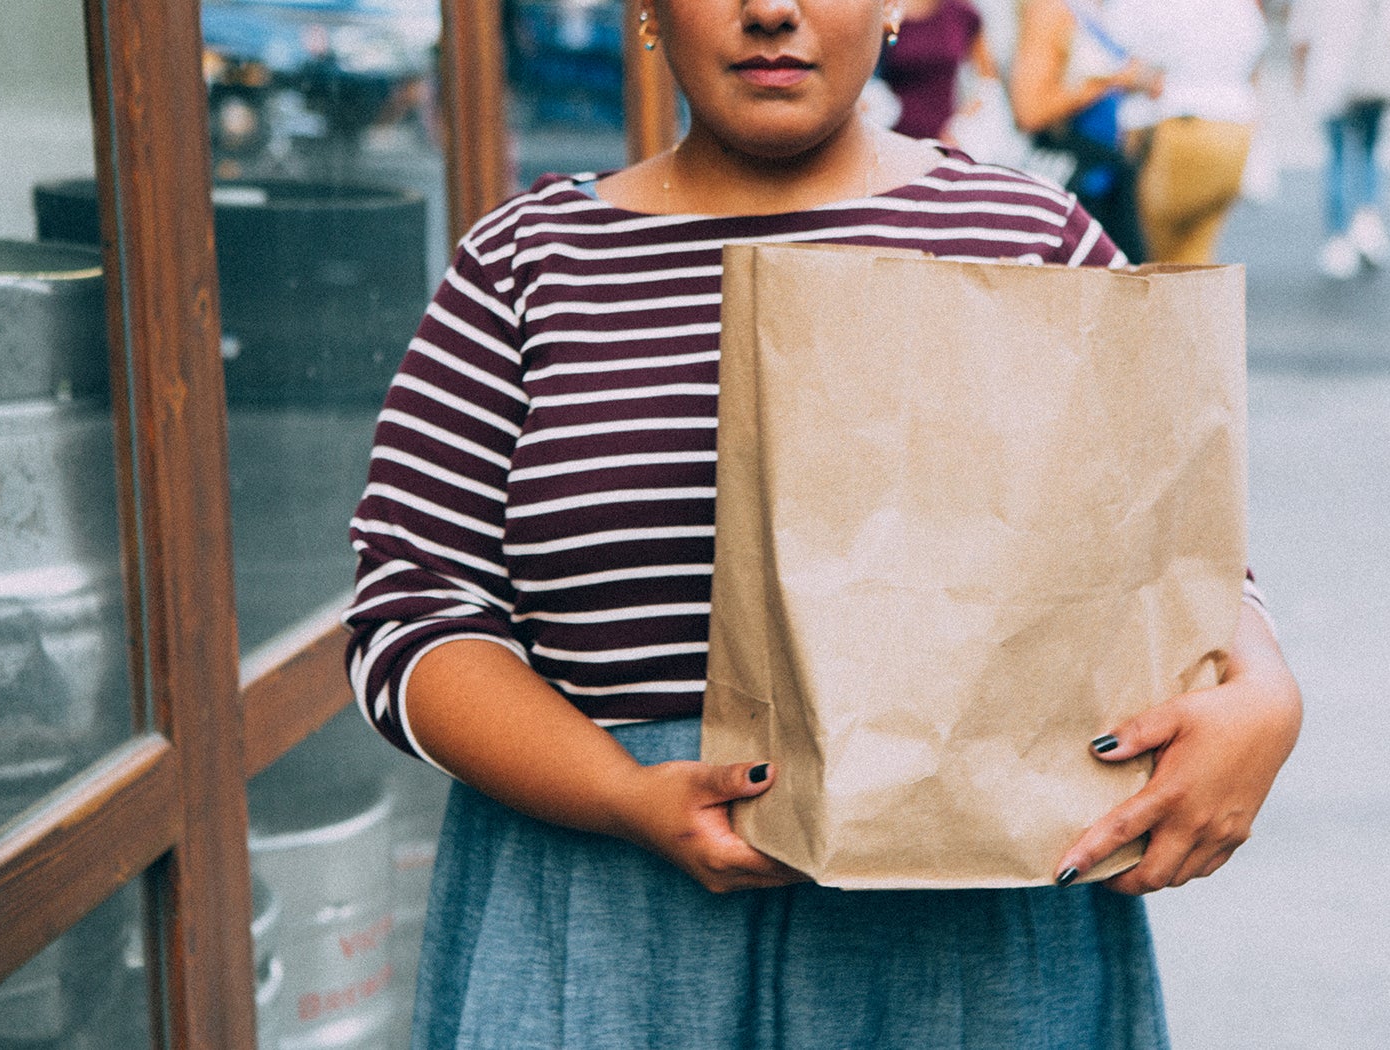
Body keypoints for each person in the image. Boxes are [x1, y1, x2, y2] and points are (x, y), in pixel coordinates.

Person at [343, 1, 1304, 1045]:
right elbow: (413, 614)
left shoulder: (1028, 242)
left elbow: (1175, 556)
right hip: (607, 924)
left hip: (967, 951)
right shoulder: (529, 263)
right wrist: (622, 795)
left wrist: (1261, 694)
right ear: (646, 10)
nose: (770, 10)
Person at [1105, 0, 1268, 264]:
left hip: (1176, 127)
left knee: (1158, 261)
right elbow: (1254, 50)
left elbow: (1114, 52)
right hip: (1234, 129)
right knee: (1197, 255)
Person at [1009, 0, 1155, 261]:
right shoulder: (1050, 10)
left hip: (1110, 180)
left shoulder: (1099, 13)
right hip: (1076, 183)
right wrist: (1112, 80)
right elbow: (1029, 111)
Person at [1289, 0, 1390, 279]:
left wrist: (1299, 75)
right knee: (1368, 150)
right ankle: (1367, 221)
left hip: (1327, 76)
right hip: (1370, 72)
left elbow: (1300, 35)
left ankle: (1339, 237)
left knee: (1337, 156)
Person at [874, 0, 997, 144]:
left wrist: (961, 126)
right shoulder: (887, 12)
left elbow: (988, 80)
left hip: (943, 139)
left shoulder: (962, 13)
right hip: (889, 135)